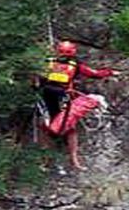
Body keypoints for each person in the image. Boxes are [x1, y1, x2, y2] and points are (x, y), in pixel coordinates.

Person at [37, 40, 114, 170]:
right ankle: (73, 160)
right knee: (70, 128)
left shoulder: (47, 62)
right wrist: (110, 72)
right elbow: (94, 74)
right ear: (73, 52)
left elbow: (37, 78)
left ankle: (44, 160)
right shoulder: (75, 64)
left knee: (45, 126)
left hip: (46, 96)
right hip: (63, 96)